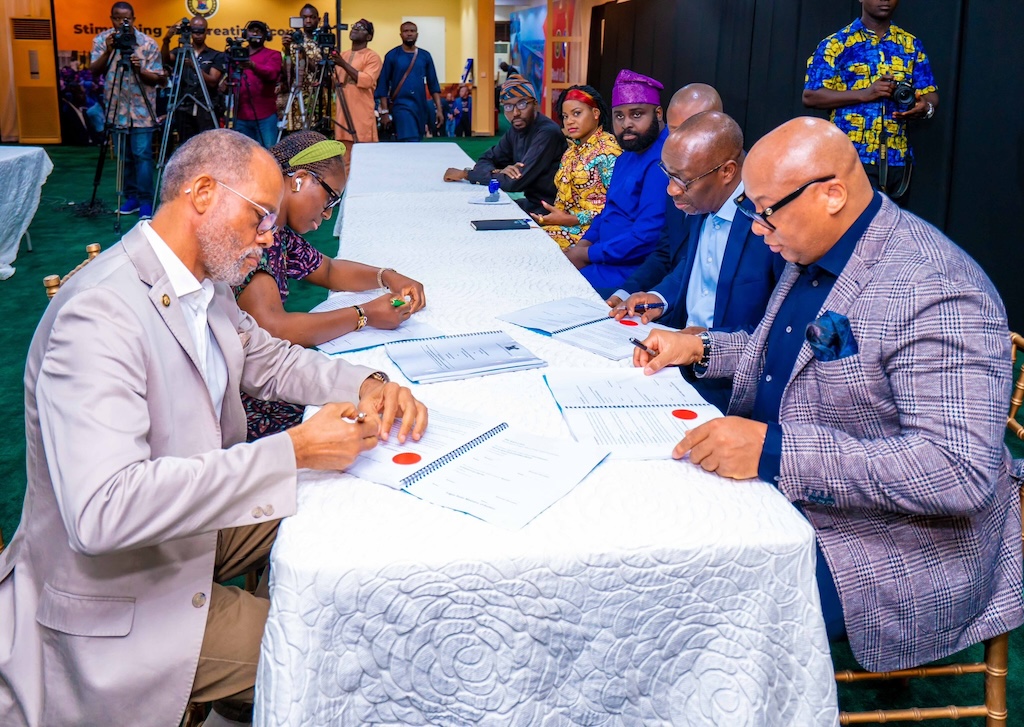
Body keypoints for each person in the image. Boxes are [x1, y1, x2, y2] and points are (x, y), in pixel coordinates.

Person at [0, 129, 428, 727]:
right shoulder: (99, 313)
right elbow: (103, 512)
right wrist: (294, 450)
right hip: (120, 594)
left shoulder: (200, 283)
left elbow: (268, 359)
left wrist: (365, 384)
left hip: (177, 535)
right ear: (202, 193)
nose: (270, 237)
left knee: (355, 499)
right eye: (260, 216)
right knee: (340, 642)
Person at [633, 117, 1024, 673]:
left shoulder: (935, 288)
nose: (757, 228)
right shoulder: (815, 247)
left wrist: (775, 454)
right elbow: (782, 362)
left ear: (832, 194)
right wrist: (698, 350)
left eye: (765, 209)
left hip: (887, 544)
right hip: (786, 495)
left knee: (687, 602)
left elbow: (957, 471)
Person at [235, 131, 426, 441]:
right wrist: (364, 314)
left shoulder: (278, 232)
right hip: (242, 400)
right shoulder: (256, 234)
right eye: (330, 199)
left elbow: (329, 270)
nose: (327, 214)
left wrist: (388, 276)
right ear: (298, 180)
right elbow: (272, 328)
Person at [613, 111, 781, 333]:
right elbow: (697, 267)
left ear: (727, 172)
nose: (671, 189)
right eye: (668, 174)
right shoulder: (701, 198)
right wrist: (659, 297)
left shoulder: (768, 221)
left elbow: (781, 327)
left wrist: (708, 344)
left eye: (682, 180)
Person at [803, 0, 938, 201]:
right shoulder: (837, 43)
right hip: (849, 157)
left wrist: (924, 108)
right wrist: (865, 93)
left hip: (897, 160)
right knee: (851, 228)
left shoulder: (910, 44)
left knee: (892, 229)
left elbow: (930, 94)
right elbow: (811, 95)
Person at [606, 82, 722, 309]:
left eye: (690, 130)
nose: (678, 142)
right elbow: (666, 251)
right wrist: (626, 292)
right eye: (674, 131)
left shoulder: (745, 198)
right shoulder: (675, 178)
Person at [567, 69, 668, 296]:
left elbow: (646, 237)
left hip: (631, 272)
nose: (626, 124)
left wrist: (587, 255)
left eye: (637, 114)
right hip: (604, 258)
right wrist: (584, 244)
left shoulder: (664, 159)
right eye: (619, 116)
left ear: (658, 113)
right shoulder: (627, 153)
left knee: (557, 290)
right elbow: (609, 210)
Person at [442, 75, 565, 215]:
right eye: (508, 106)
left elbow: (514, 182)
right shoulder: (516, 129)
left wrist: (466, 174)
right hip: (533, 203)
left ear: (535, 104)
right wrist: (497, 172)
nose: (516, 112)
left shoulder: (547, 133)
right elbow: (485, 159)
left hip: (551, 212)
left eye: (522, 104)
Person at [90, 1, 166, 219]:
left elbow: (158, 79)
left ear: (133, 19)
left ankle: (145, 202)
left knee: (142, 156)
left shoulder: (147, 44)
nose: (121, 22)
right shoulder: (102, 41)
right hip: (116, 109)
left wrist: (139, 69)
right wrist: (109, 50)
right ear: (111, 18)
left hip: (142, 110)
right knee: (125, 157)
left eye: (126, 18)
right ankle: (130, 198)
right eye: (116, 18)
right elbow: (95, 70)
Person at [530, 85, 620, 249]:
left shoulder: (608, 151)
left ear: (595, 113)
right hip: (565, 226)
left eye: (576, 113)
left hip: (595, 233)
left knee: (536, 246)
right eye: (565, 116)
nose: (569, 121)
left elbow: (617, 207)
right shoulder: (571, 151)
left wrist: (571, 219)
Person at [161, 15, 225, 145]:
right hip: (185, 107)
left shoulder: (216, 55)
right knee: (186, 146)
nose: (198, 35)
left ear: (207, 31)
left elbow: (213, 81)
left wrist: (193, 65)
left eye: (201, 31)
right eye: (194, 30)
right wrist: (166, 40)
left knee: (208, 145)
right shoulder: (180, 52)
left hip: (206, 107)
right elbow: (165, 60)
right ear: (190, 31)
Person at [376, 22, 443, 142]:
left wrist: (439, 110)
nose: (409, 34)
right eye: (406, 31)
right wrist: (384, 112)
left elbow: (433, 84)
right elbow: (383, 85)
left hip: (420, 106)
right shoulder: (392, 56)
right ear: (401, 34)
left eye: (412, 31)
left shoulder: (425, 56)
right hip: (401, 106)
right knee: (410, 140)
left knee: (417, 139)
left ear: (417, 34)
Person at [333, 18, 382, 174]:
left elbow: (367, 81)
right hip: (342, 116)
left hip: (361, 115)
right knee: (343, 161)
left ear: (369, 37)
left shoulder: (372, 57)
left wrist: (343, 64)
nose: (355, 29)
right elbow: (333, 82)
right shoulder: (343, 55)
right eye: (354, 26)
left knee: (363, 160)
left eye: (361, 28)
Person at [232, 20, 282, 149]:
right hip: (241, 116)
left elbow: (272, 74)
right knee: (242, 156)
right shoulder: (236, 55)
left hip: (266, 117)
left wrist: (253, 66)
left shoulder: (274, 54)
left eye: (259, 31)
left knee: (270, 154)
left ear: (266, 36)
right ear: (245, 34)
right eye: (252, 30)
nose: (255, 33)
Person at [280, 3, 324, 133]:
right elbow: (285, 73)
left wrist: (304, 53)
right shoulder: (292, 41)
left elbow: (321, 71)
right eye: (304, 17)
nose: (308, 20)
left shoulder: (323, 40)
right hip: (298, 95)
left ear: (318, 19)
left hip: (318, 96)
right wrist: (287, 51)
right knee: (298, 137)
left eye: (312, 17)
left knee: (319, 135)